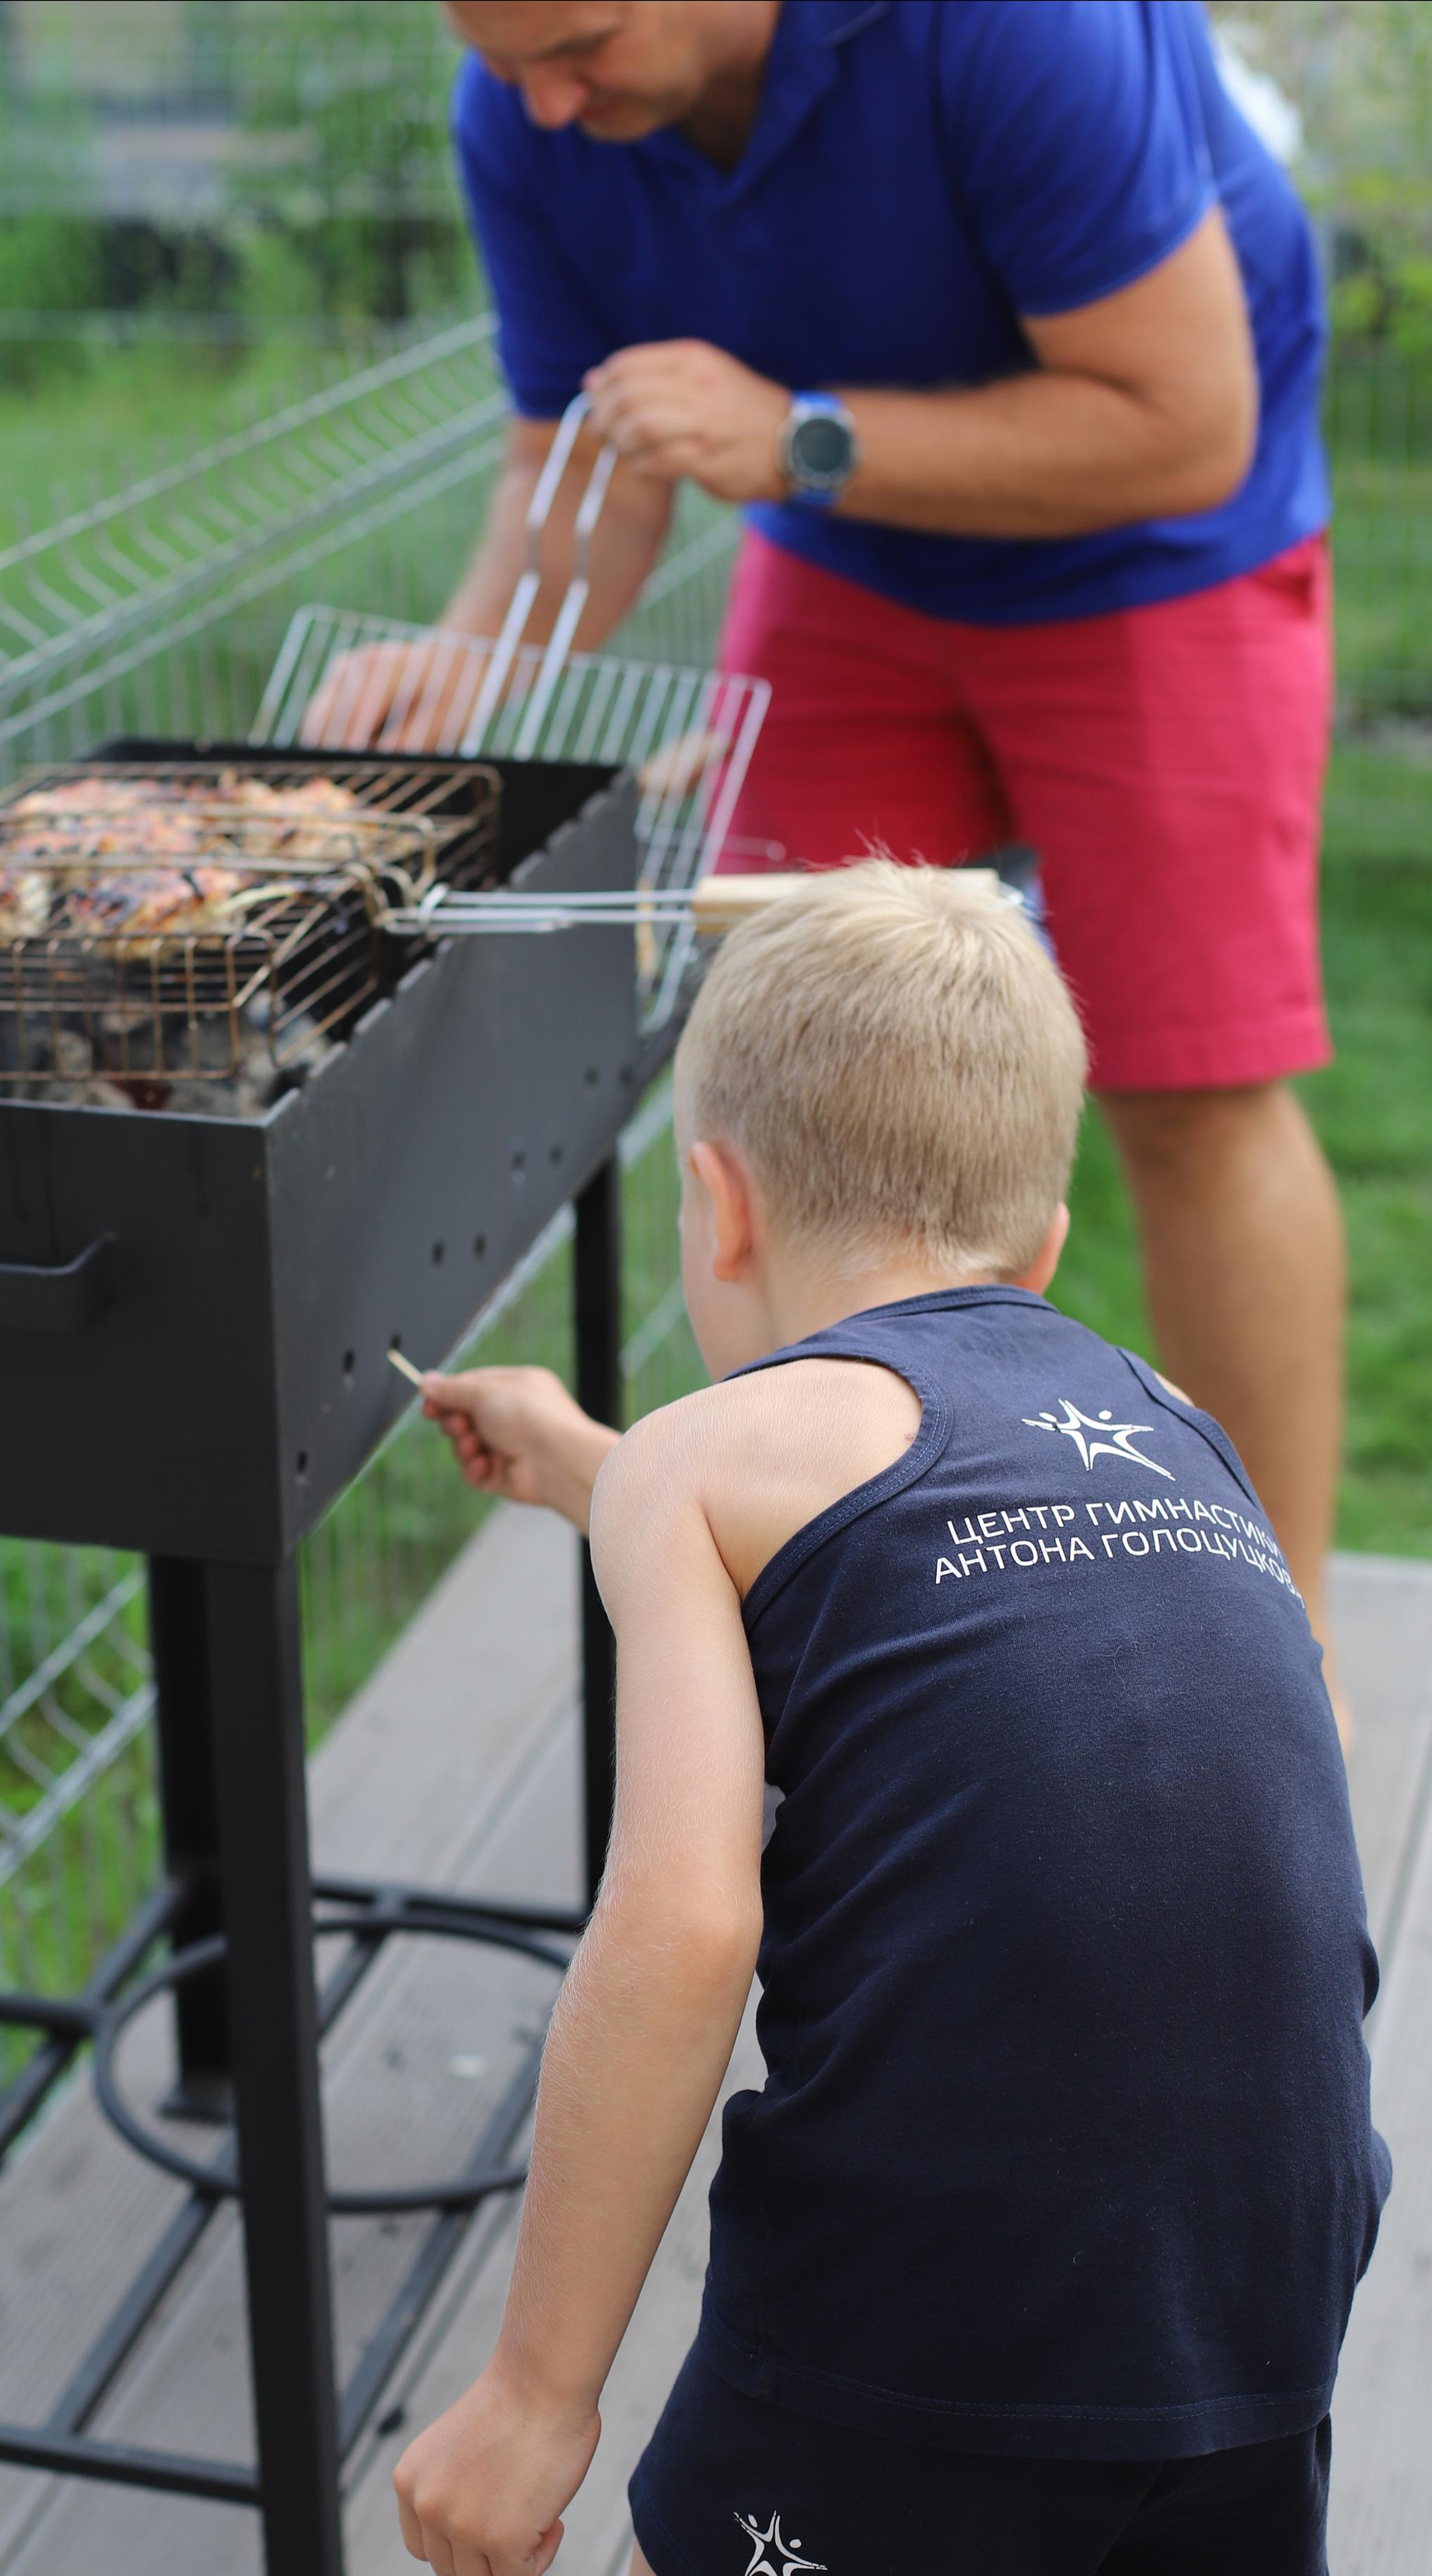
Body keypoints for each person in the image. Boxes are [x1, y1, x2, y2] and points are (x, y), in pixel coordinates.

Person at [389, 862, 1389, 2576]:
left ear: (724, 1205)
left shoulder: (712, 1466)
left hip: (927, 2302)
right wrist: (595, 1458)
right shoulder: (1173, 1426)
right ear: (1038, 1239)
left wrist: (534, 2392)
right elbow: (910, 1530)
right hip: (1249, 2281)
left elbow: (682, 1925)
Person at [309, 0, 1348, 1714]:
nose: (546, 105)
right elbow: (575, 461)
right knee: (785, 1079)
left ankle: (1273, 1660)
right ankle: (869, 1613)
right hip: (855, 555)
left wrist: (796, 437)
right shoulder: (524, 105)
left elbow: (1184, 418)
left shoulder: (1012, 31)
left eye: (578, 44)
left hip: (1160, 552)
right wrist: (470, 659)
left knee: (1184, 1087)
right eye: (506, 62)